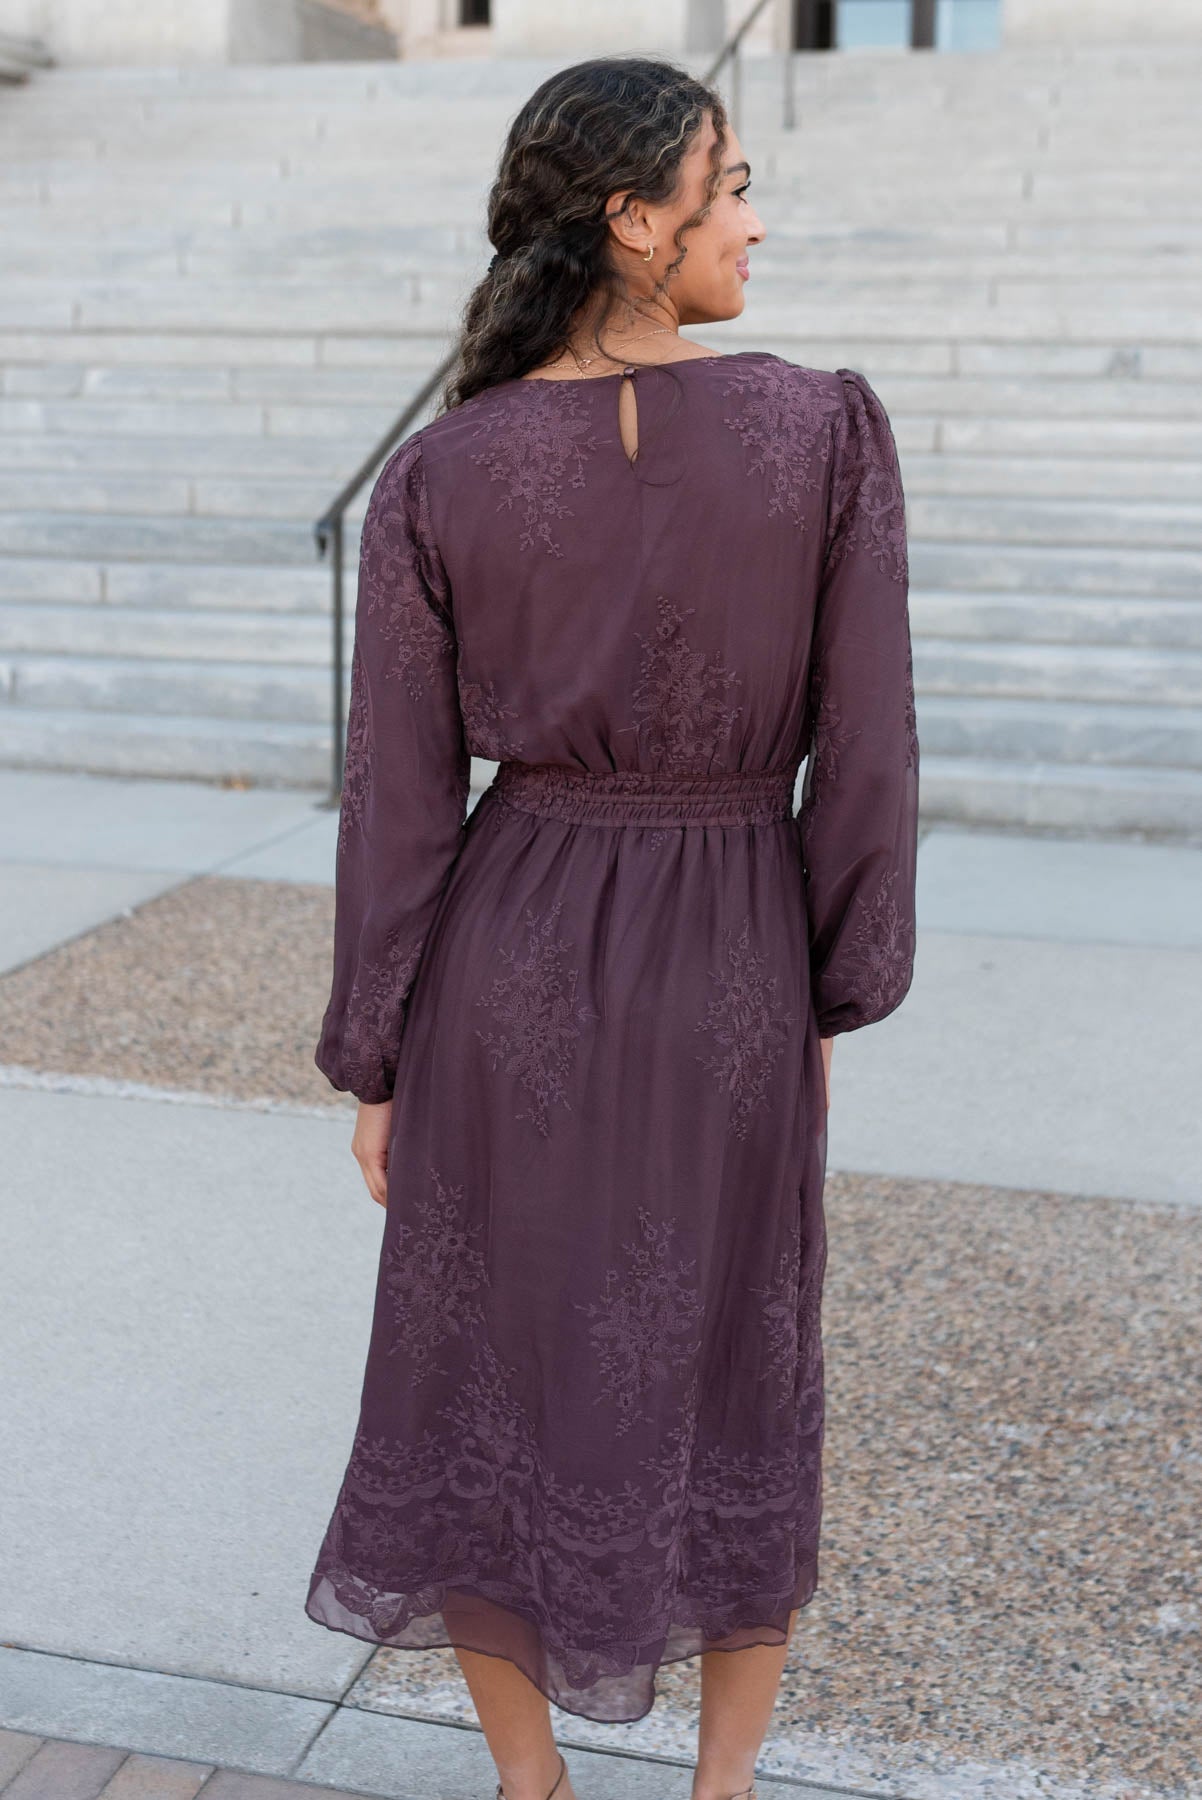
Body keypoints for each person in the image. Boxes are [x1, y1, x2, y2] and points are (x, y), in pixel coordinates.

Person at [305, 52, 919, 1800]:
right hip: (726, 952)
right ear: (630, 223)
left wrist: (376, 1049)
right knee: (739, 1353)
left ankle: (532, 1784)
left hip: (507, 955)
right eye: (726, 186)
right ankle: (719, 1793)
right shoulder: (817, 429)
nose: (751, 218)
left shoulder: (444, 470)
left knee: (480, 1358)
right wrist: (827, 984)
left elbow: (399, 799)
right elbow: (865, 750)